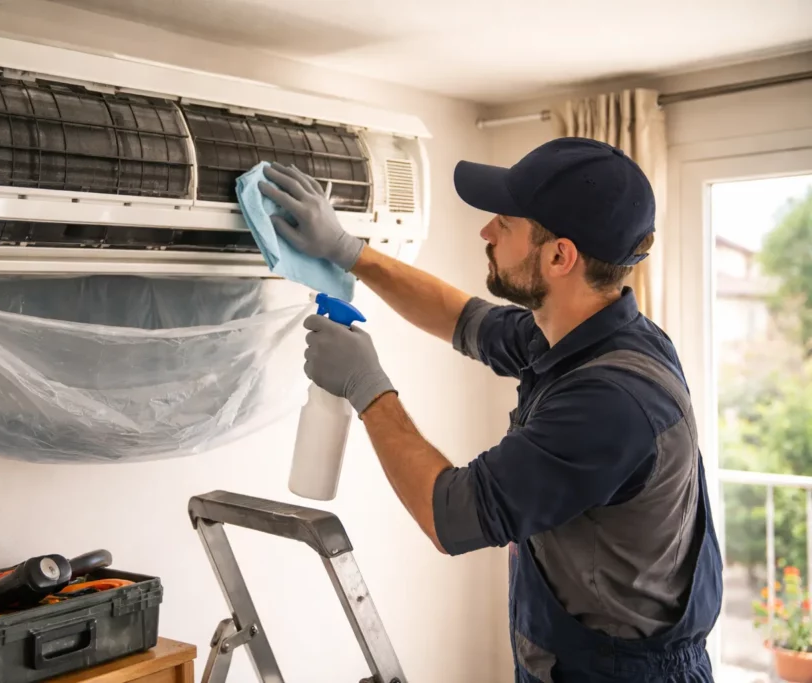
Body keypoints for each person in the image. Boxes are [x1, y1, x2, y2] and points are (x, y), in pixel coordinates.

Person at [258, 137, 723, 683]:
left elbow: (448, 514)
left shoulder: (610, 403)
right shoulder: (580, 334)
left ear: (558, 256)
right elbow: (462, 318)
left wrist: (367, 386)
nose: (485, 231)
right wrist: (349, 251)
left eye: (504, 221)